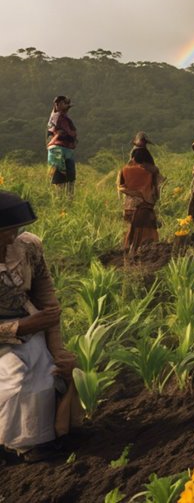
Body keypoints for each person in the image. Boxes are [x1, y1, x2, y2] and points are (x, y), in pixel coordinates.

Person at [0, 191, 79, 461]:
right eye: (5, 232)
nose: (12, 237)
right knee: (14, 380)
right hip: (9, 333)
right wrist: (18, 328)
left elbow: (46, 299)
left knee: (48, 375)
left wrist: (57, 348)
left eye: (15, 230)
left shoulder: (28, 247)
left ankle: (35, 441)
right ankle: (7, 444)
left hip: (30, 324)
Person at [116, 145, 164, 257]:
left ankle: (131, 251)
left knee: (131, 232)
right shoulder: (151, 171)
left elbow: (121, 187)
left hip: (129, 207)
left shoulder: (124, 170)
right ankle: (144, 253)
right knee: (147, 235)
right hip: (144, 207)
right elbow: (156, 191)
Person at [46, 96, 77, 198]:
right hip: (58, 147)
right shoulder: (57, 116)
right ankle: (59, 199)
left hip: (67, 147)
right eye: (64, 103)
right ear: (57, 104)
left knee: (70, 176)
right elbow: (64, 131)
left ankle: (68, 199)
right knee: (59, 175)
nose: (67, 106)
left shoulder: (64, 117)